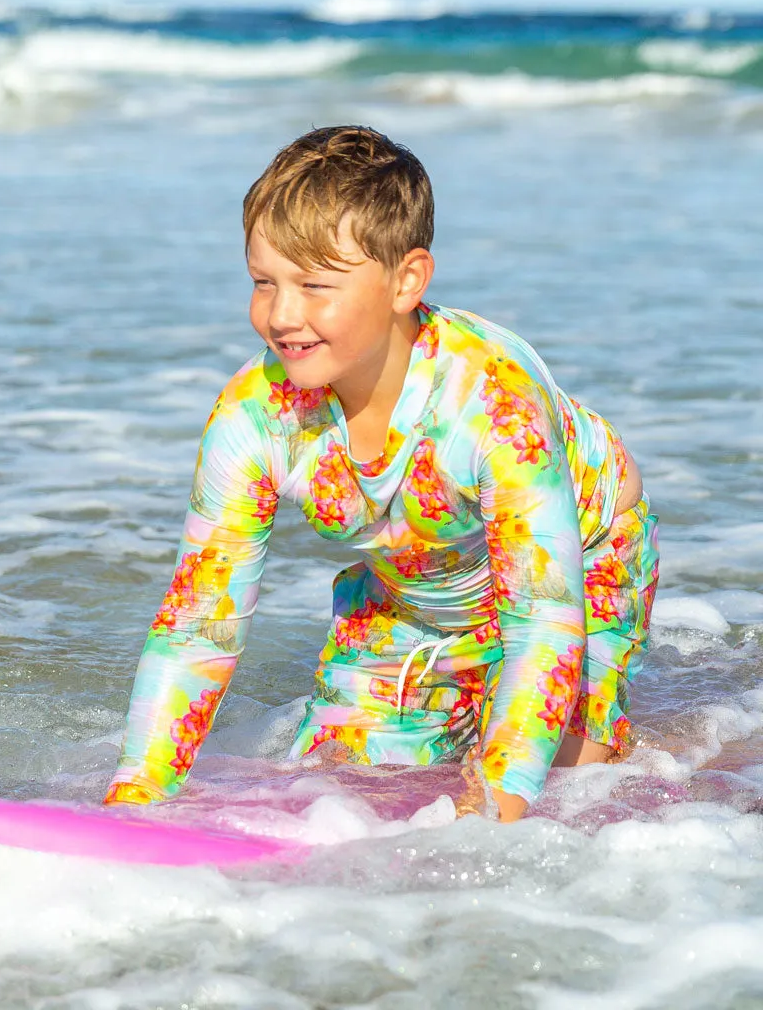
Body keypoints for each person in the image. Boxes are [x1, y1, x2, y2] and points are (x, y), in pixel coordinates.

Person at [103, 126, 659, 822]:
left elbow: (543, 619)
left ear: (406, 280)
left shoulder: (491, 402)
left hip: (578, 567)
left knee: (563, 785)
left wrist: (495, 811)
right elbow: (196, 626)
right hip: (413, 590)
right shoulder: (256, 416)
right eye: (263, 282)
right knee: (345, 786)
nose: (281, 315)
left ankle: (707, 763)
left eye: (314, 285)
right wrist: (136, 800)